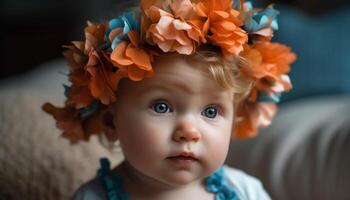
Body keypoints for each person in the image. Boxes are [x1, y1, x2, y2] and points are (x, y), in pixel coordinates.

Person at [42, 0, 296, 199]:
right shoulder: (92, 197)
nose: (189, 131)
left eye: (211, 111)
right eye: (161, 106)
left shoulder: (246, 192)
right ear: (111, 123)